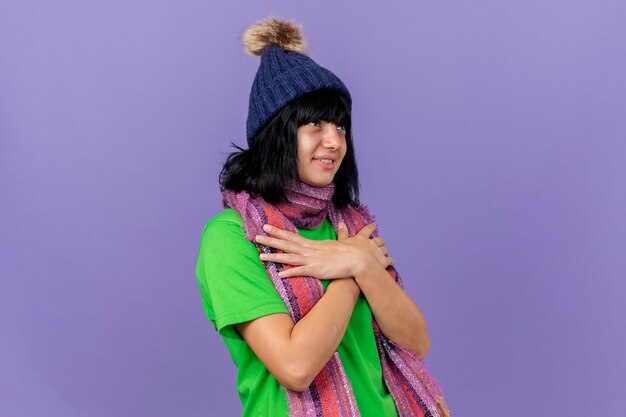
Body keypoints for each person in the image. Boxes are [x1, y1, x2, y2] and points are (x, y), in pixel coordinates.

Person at [196, 17, 449, 417]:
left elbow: (416, 342)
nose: (334, 140)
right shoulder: (231, 238)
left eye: (341, 126)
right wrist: (353, 270)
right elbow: (295, 367)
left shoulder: (350, 225)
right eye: (314, 124)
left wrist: (357, 259)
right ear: (275, 134)